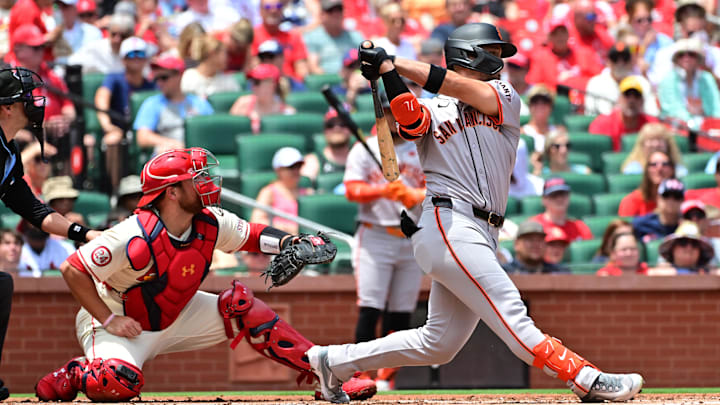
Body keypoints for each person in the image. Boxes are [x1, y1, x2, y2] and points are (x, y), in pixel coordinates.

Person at [307, 23, 644, 403]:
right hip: (449, 223)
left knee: (438, 343)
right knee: (512, 313)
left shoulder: (504, 94)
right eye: (493, 50)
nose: (500, 59)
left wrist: (393, 63)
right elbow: (412, 122)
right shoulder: (432, 108)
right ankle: (585, 377)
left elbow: (457, 87)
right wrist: (387, 74)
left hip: (480, 230)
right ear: (471, 52)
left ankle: (332, 360)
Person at [32, 147, 377, 402]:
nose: (207, 183)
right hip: (120, 319)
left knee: (241, 306)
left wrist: (292, 240)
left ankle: (326, 374)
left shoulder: (210, 221)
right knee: (115, 382)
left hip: (176, 313)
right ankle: (77, 372)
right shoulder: (131, 235)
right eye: (196, 179)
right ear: (171, 192)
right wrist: (108, 320)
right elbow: (73, 268)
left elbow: (253, 235)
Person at [343, 89, 425, 391]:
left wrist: (415, 195)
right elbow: (351, 190)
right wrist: (383, 191)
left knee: (402, 312)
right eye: (389, 111)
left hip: (411, 236)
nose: (393, 117)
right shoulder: (364, 149)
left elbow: (437, 186)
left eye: (398, 111)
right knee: (371, 308)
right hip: (375, 234)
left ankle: (388, 377)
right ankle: (361, 376)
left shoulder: (421, 146)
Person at [95, 36, 156, 194]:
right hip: (119, 131)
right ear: (123, 59)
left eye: (140, 55)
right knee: (112, 140)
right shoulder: (114, 78)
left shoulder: (152, 84)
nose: (136, 59)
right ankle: (116, 192)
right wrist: (108, 126)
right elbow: (101, 99)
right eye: (131, 55)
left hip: (144, 131)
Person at [134, 55, 214, 154]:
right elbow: (142, 137)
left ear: (179, 75)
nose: (159, 83)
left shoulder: (198, 102)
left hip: (195, 158)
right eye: (157, 79)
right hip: (167, 157)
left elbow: (212, 133)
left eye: (164, 78)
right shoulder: (152, 103)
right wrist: (170, 143)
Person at [657, 38, 720, 131]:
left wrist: (714, 124)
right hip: (678, 127)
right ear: (676, 59)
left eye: (691, 55)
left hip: (706, 128)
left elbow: (715, 106)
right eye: (681, 55)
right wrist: (693, 124)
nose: (686, 58)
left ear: (698, 58)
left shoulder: (707, 78)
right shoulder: (668, 79)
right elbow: (672, 109)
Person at [584, 42, 658, 117]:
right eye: (615, 59)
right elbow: (590, 115)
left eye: (625, 58)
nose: (620, 63)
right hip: (606, 126)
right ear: (608, 62)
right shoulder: (596, 83)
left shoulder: (642, 82)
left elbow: (652, 113)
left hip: (637, 126)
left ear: (631, 62)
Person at [588, 76, 659, 152]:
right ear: (619, 99)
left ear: (642, 101)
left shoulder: (652, 124)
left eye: (636, 96)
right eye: (627, 95)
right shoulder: (602, 124)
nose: (632, 100)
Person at [250, 147, 311, 235]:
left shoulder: (308, 193)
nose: (296, 171)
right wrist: (290, 229)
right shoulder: (268, 192)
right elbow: (256, 221)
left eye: (298, 166)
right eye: (291, 167)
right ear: (278, 170)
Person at [251, 0, 309, 84]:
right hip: (264, 84)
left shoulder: (293, 37)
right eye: (268, 7)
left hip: (290, 86)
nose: (273, 11)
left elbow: (302, 71)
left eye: (278, 6)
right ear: (260, 10)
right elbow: (253, 68)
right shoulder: (253, 36)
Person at [229, 63, 294, 134]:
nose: (253, 86)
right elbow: (230, 131)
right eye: (252, 82)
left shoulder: (287, 112)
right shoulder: (242, 104)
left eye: (257, 82)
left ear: (272, 84)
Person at [303, 0, 362, 75]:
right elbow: (313, 68)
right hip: (327, 81)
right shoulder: (312, 37)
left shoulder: (355, 36)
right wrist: (337, 78)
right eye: (330, 11)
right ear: (322, 15)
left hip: (354, 79)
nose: (336, 14)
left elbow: (366, 63)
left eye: (339, 10)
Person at [68, 13, 135, 74]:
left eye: (123, 36)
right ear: (109, 32)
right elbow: (72, 62)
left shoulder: (137, 52)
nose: (117, 40)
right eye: (113, 34)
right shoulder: (96, 49)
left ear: (131, 36)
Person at [180, 34, 239, 99]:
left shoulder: (227, 80)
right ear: (212, 54)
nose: (228, 58)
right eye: (224, 53)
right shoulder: (189, 77)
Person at [618, 150, 676, 217]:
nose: (659, 168)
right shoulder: (631, 201)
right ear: (646, 170)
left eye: (665, 164)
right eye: (653, 164)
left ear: (672, 169)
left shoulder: (682, 198)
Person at [301, 109, 351, 183]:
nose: (337, 128)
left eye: (342, 124)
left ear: (351, 129)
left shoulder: (362, 160)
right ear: (324, 130)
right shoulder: (312, 161)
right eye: (330, 125)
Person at [502, 220, 569, 274]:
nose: (536, 244)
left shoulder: (558, 272)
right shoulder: (504, 272)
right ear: (516, 244)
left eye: (540, 240)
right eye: (530, 239)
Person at [621, 122, 686, 176]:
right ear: (642, 145)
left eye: (660, 140)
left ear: (667, 145)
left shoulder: (678, 170)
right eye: (651, 140)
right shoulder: (633, 169)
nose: (655, 144)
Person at [632, 178, 684, 243]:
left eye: (677, 196)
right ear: (658, 198)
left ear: (682, 200)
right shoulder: (640, 224)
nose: (671, 200)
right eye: (666, 195)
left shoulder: (687, 227)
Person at [522, 84, 558, 157]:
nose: (540, 105)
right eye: (535, 101)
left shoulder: (559, 133)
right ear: (529, 106)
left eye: (545, 101)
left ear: (551, 106)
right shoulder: (521, 133)